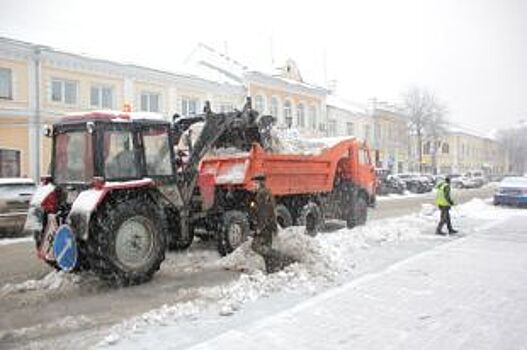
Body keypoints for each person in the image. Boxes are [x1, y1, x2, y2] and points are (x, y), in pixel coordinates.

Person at [250, 173, 296, 273]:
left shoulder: (263, 194)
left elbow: (264, 213)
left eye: (254, 183)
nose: (253, 185)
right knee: (266, 247)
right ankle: (271, 270)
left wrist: (259, 227)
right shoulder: (262, 193)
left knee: (256, 246)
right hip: (268, 225)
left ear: (260, 183)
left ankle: (282, 257)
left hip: (266, 226)